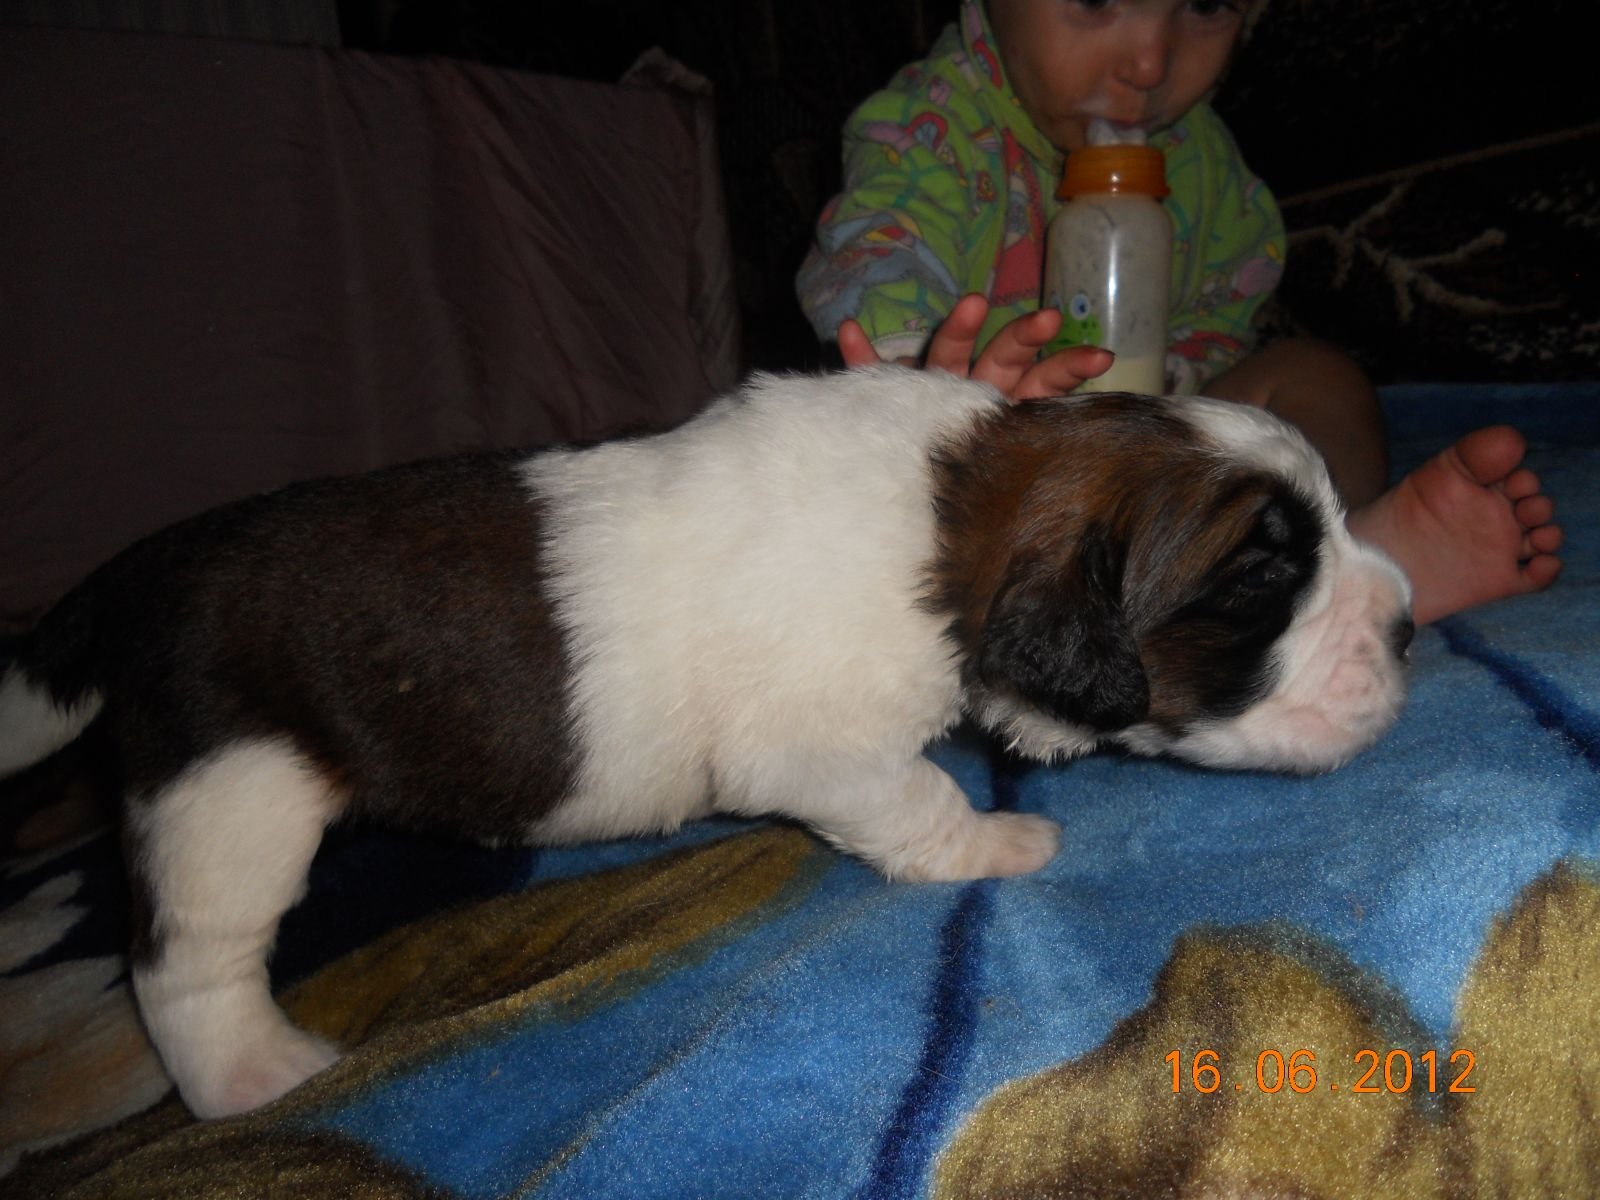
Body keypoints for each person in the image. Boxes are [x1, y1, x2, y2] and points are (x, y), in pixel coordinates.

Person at [796, 0, 1561, 625]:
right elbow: (878, 253)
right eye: (1096, 2)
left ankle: (1335, 550)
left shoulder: (1202, 162)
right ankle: (1121, 603)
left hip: (1156, 464)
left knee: (1314, 374)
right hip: (993, 470)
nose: (1150, 65)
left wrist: (1176, 408)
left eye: (1205, 6)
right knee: (864, 510)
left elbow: (1220, 314)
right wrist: (930, 385)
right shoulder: (931, 126)